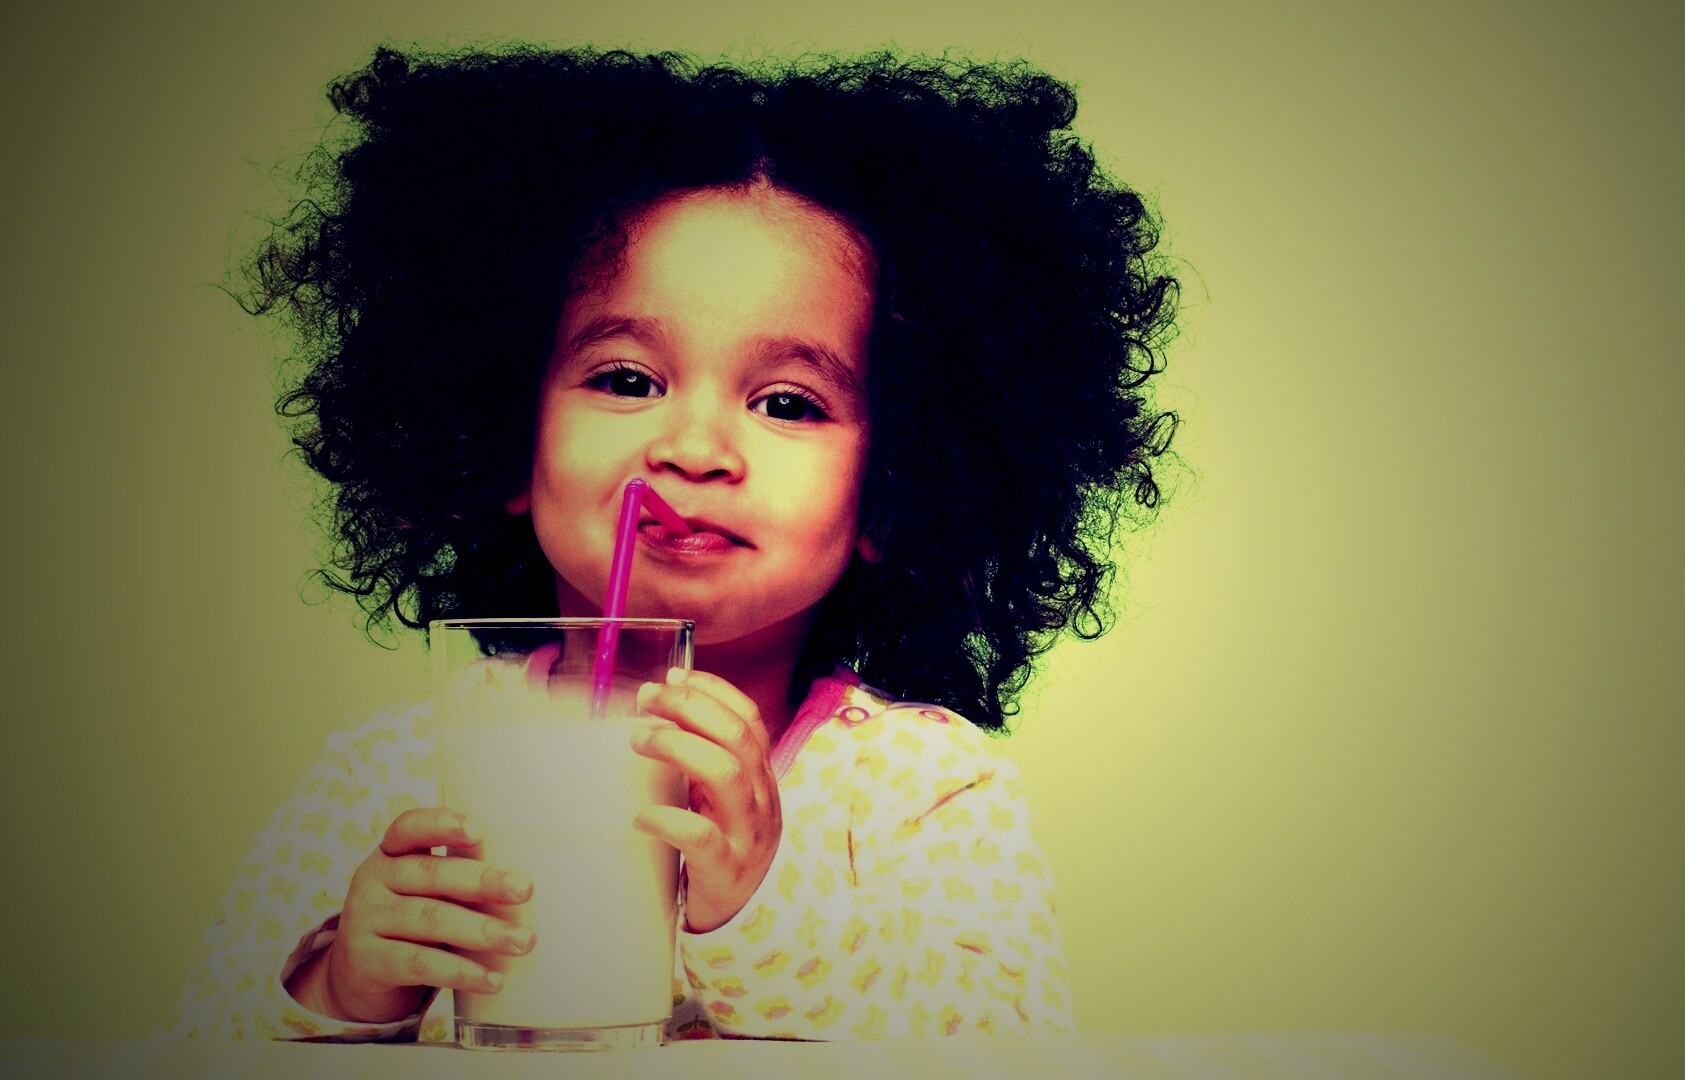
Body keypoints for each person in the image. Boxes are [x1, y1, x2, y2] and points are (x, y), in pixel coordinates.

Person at [170, 43, 1180, 1043]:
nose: (692, 449)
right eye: (626, 381)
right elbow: (195, 1045)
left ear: (896, 490)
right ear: (500, 438)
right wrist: (345, 988)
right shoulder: (397, 772)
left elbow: (1013, 1048)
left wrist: (757, 915)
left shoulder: (922, 791)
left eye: (787, 403)